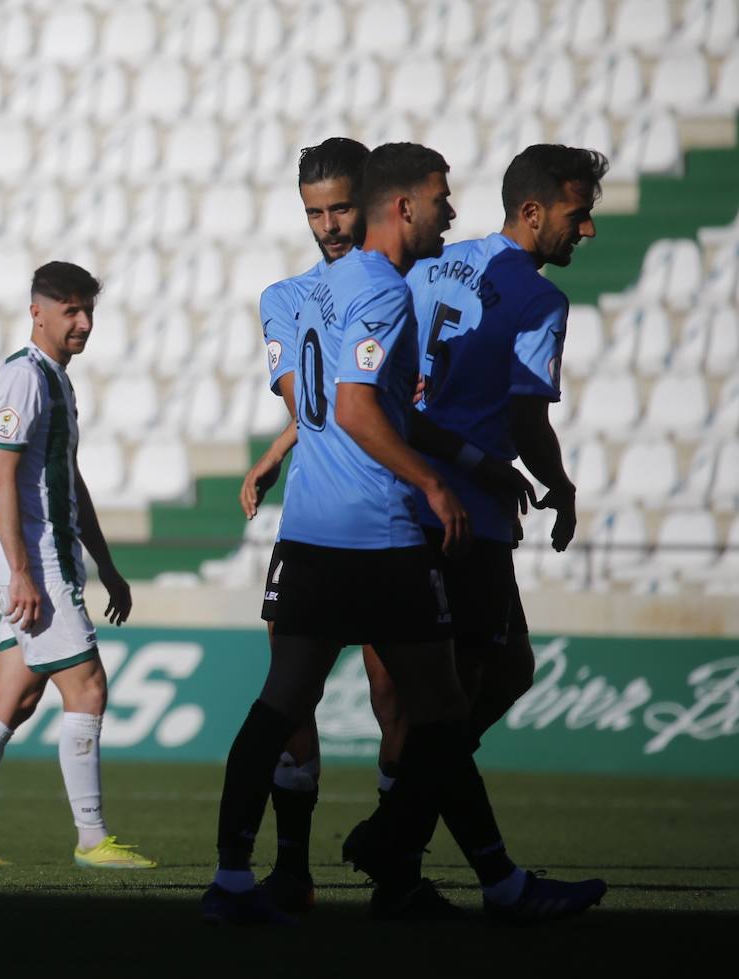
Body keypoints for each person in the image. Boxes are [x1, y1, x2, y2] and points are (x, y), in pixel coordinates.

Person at [205, 143, 606, 925]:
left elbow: (348, 402)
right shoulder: (388, 290)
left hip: (310, 532)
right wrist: (433, 479)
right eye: (439, 198)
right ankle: (473, 876)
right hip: (383, 533)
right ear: (404, 207)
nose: (449, 211)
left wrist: (463, 459)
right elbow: (358, 407)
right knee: (441, 713)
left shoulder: (308, 290)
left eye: (335, 208)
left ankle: (233, 880)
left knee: (284, 703)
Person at [0, 262, 157, 871]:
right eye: (70, 311)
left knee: (14, 696)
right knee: (87, 686)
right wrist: (24, 572)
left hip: (44, 559)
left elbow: (67, 480)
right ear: (38, 311)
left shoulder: (55, 381)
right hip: (37, 563)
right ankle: (91, 838)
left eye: (88, 311)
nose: (82, 323)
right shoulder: (23, 380)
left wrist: (106, 563)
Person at [243, 137, 406, 911]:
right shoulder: (284, 295)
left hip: (380, 519)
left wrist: (277, 448)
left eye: (341, 206)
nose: (329, 224)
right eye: (315, 211)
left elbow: (329, 403)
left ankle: (391, 861)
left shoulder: (389, 285)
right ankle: (292, 867)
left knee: (393, 697)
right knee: (292, 699)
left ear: (367, 199)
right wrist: (280, 448)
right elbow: (317, 404)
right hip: (319, 520)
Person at [405, 144, 607, 738]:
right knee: (482, 677)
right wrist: (561, 488)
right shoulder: (539, 299)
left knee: (435, 688)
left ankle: (408, 810)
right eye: (578, 215)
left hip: (404, 493)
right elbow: (525, 420)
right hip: (469, 513)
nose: (588, 229)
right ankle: (402, 822)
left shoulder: (427, 264)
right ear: (533, 211)